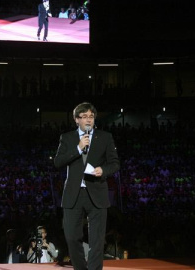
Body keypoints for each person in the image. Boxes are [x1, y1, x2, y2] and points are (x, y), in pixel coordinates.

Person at [54, 102, 120, 270]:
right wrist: (78, 148)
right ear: (77, 120)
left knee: (97, 239)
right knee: (71, 237)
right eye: (84, 117)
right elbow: (58, 162)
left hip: (97, 191)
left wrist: (103, 170)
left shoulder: (105, 137)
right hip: (74, 194)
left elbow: (115, 163)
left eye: (91, 116)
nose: (88, 120)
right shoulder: (67, 137)